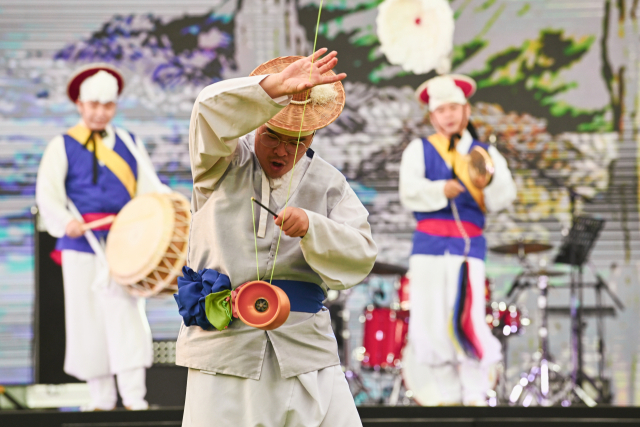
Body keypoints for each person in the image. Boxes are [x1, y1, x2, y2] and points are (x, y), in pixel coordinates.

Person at [174, 49, 377, 427]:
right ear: (257, 124)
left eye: (297, 140)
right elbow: (207, 110)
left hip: (305, 350)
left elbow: (362, 253)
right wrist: (272, 89)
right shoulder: (221, 164)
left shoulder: (330, 183)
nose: (283, 150)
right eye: (272, 135)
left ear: (314, 135)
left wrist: (313, 228)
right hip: (225, 349)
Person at [36, 63, 166, 411]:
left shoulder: (129, 142)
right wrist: (66, 223)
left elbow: (151, 191)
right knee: (87, 319)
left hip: (125, 243)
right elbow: (47, 195)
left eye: (106, 106)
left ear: (114, 107)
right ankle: (101, 400)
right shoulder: (62, 145)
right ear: (80, 105)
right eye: (92, 105)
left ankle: (136, 400)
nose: (99, 112)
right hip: (82, 245)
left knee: (128, 318)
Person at [399, 74, 517, 406]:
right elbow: (409, 193)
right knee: (430, 320)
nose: (448, 115)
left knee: (467, 318)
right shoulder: (418, 149)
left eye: (454, 108)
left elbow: (503, 196)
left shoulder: (483, 152)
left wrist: (483, 179)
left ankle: (476, 394)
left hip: (467, 249)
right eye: (441, 111)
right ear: (432, 116)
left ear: (466, 111)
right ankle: (447, 396)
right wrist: (440, 190)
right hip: (429, 247)